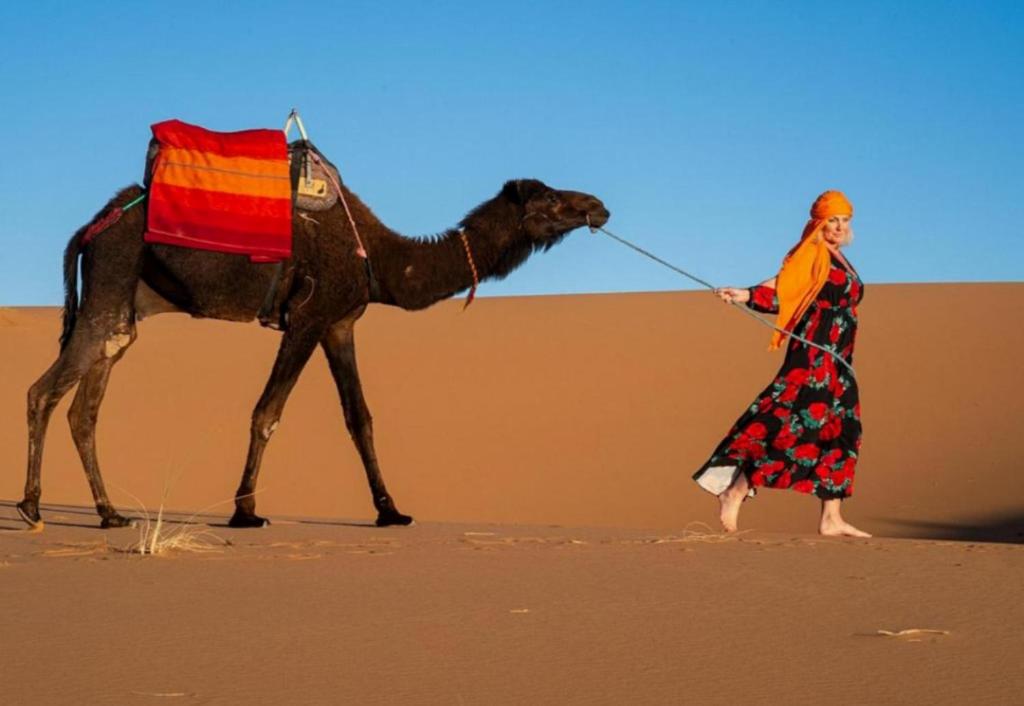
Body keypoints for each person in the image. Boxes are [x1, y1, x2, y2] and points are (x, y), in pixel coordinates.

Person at [693, 190, 871, 537]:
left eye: (844, 220)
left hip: (839, 361)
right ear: (819, 221)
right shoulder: (812, 253)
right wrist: (745, 293)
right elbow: (783, 287)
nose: (838, 226)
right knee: (788, 423)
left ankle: (831, 517)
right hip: (813, 356)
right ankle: (735, 489)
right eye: (832, 219)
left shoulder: (841, 259)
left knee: (843, 431)